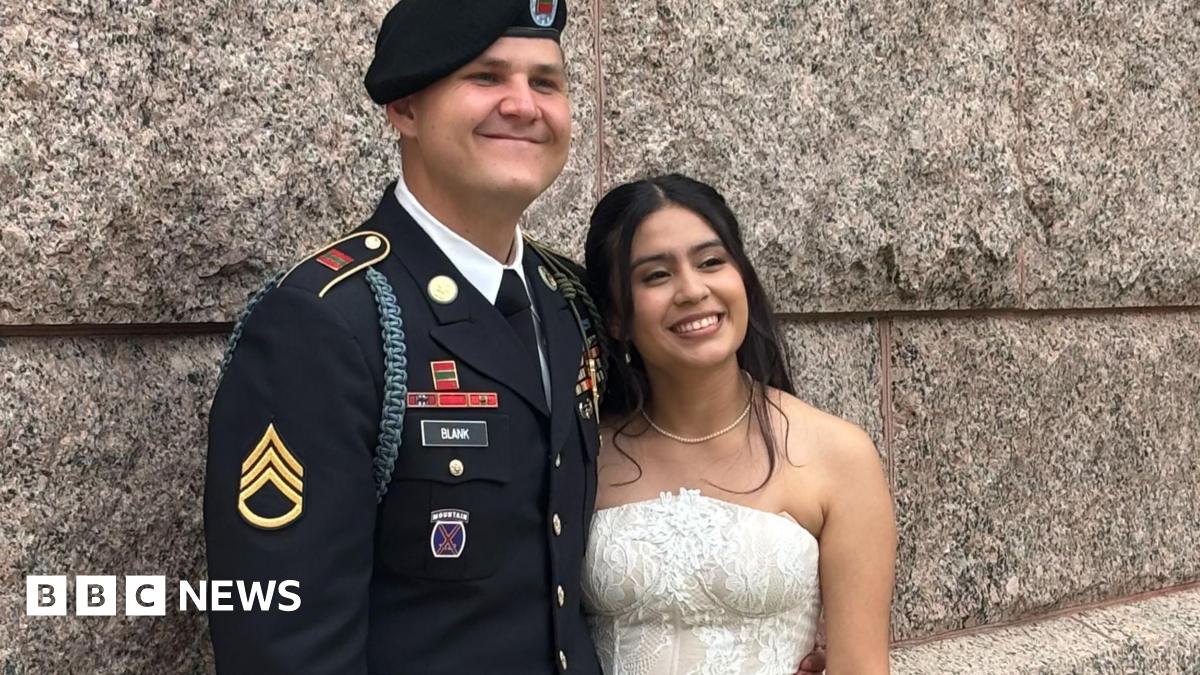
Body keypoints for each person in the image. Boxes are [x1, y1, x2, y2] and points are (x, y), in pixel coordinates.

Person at [204, 0, 830, 671]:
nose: (523, 105)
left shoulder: (574, 304)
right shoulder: (328, 321)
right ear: (404, 109)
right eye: (487, 77)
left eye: (546, 82)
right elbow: (282, 642)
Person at [581, 174, 896, 674]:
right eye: (656, 276)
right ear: (617, 315)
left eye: (711, 262)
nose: (692, 290)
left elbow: (861, 667)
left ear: (743, 279)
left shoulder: (837, 454)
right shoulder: (580, 455)